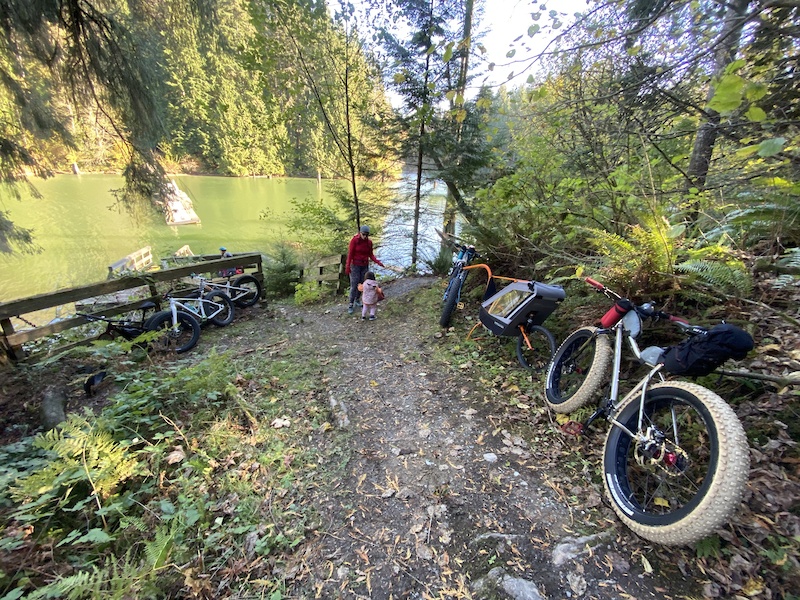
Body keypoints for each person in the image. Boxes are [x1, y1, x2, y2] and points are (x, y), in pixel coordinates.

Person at [345, 225, 384, 314]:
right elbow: (350, 254)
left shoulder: (369, 242)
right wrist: (347, 266)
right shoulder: (354, 241)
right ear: (360, 233)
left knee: (363, 284)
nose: (365, 236)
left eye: (367, 235)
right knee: (354, 284)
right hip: (355, 265)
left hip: (364, 265)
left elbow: (371, 254)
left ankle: (357, 300)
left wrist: (378, 262)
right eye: (363, 234)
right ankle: (351, 303)